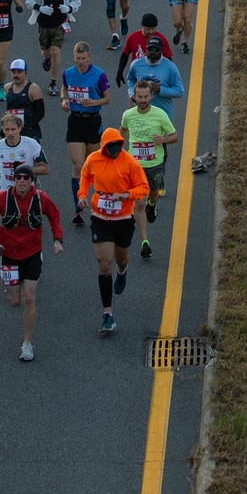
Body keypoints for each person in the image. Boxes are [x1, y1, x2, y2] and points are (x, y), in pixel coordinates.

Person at [0, 163, 63, 360]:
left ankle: (27, 344)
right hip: (9, 254)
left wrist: (57, 240)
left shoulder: (40, 198)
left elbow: (54, 217)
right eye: (18, 178)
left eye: (25, 178)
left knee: (29, 299)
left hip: (32, 254)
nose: (21, 181)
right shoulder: (2, 198)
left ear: (31, 180)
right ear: (13, 179)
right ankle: (12, 284)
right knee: (14, 301)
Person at [76, 127, 149, 336]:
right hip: (100, 218)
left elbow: (142, 188)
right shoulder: (93, 159)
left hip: (123, 218)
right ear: (104, 146)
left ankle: (123, 271)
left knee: (121, 257)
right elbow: (85, 177)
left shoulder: (130, 163)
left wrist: (126, 195)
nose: (115, 150)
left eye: (118, 146)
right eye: (111, 147)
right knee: (104, 264)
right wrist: (82, 195)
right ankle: (108, 314)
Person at [121, 79, 177, 260]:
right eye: (140, 96)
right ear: (134, 97)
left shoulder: (160, 115)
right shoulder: (128, 115)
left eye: (146, 96)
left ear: (151, 96)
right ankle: (145, 242)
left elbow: (175, 136)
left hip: (155, 164)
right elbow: (121, 132)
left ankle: (153, 205)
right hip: (135, 166)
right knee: (139, 203)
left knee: (154, 194)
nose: (143, 99)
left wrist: (163, 140)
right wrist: (117, 150)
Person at [61, 41, 111, 223]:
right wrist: (64, 100)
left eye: (83, 58)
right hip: (75, 121)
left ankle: (98, 203)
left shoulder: (99, 75)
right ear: (73, 56)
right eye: (77, 58)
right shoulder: (68, 73)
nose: (80, 61)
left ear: (89, 57)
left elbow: (107, 99)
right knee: (78, 165)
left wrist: (93, 102)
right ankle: (78, 209)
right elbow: (64, 88)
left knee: (92, 167)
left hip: (92, 122)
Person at [25, 0, 80, 97]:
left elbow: (76, 1)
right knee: (46, 51)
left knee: (56, 52)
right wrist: (39, 8)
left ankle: (53, 82)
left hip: (60, 23)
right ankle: (46, 58)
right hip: (43, 23)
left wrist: (69, 7)